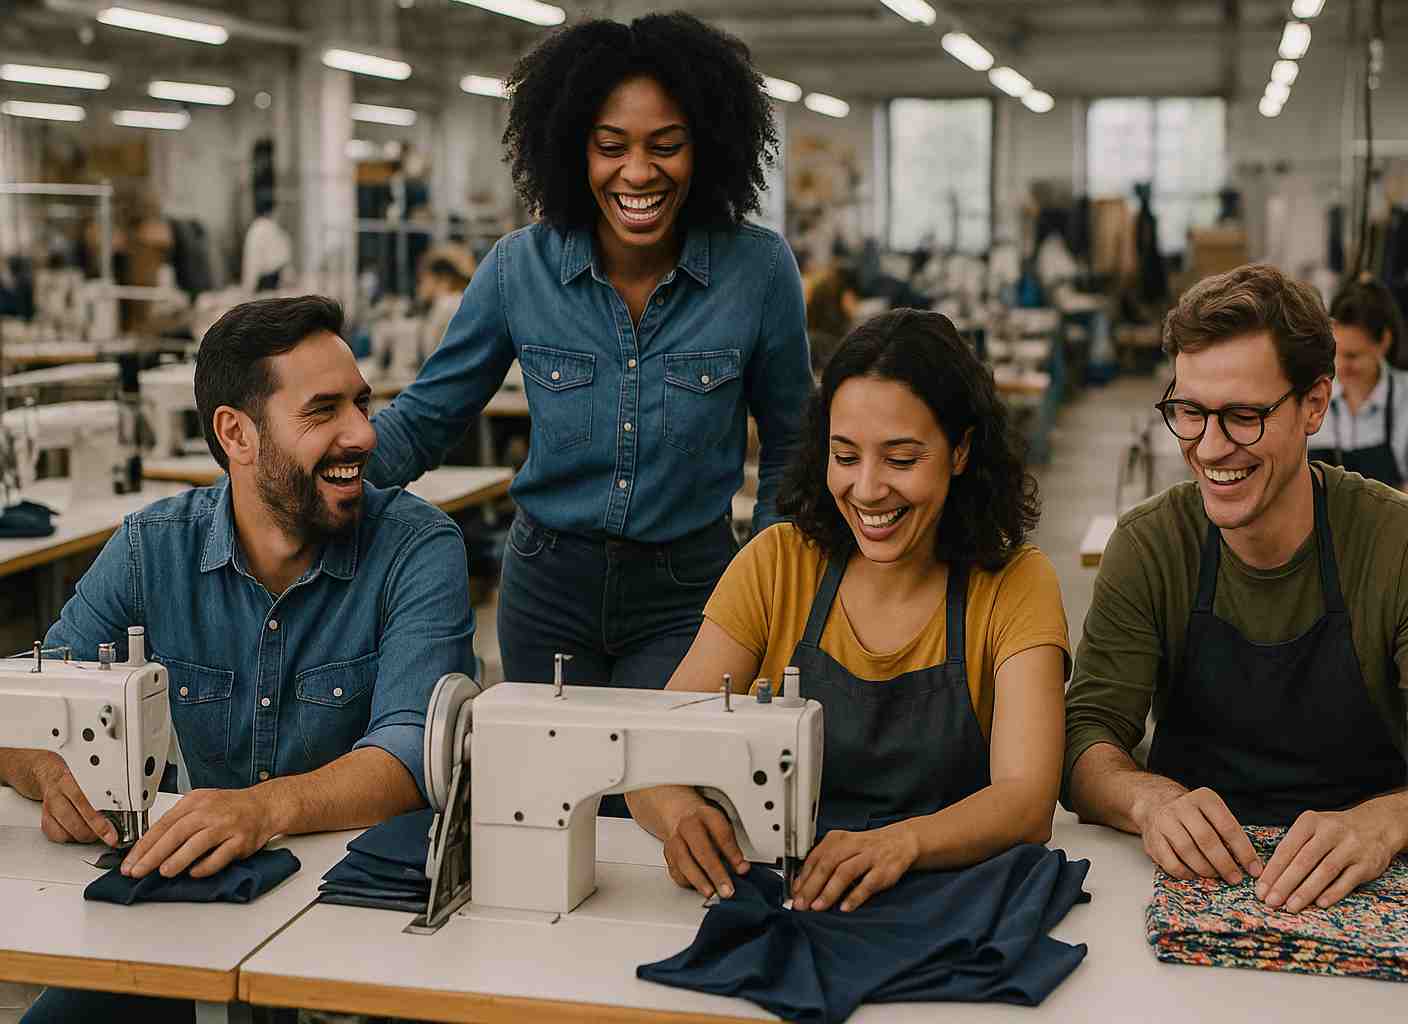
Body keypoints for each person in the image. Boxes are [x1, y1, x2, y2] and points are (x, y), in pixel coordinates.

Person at [1, 296, 475, 1022]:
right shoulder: (151, 550)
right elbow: (26, 704)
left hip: (351, 920)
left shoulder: (417, 549)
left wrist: (261, 810)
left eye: (361, 404)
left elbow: (413, 754)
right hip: (190, 916)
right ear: (237, 434)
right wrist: (48, 772)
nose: (362, 434)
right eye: (324, 412)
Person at [366, 13, 812, 691]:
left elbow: (792, 446)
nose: (639, 172)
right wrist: (311, 477)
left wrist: (772, 581)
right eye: (611, 146)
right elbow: (426, 419)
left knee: (661, 791)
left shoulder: (759, 271)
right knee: (545, 795)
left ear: (707, 147)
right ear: (574, 149)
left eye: (667, 145)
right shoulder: (519, 269)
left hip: (693, 595)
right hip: (548, 592)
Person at [1065, 264, 1408, 917]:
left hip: (1360, 889)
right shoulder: (1149, 546)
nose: (1211, 446)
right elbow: (1084, 740)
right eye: (1190, 412)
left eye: (1244, 416)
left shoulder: (1403, 544)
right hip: (1189, 885)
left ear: (1314, 405)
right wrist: (1147, 800)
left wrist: (1383, 826)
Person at [628, 309, 1069, 913]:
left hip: (951, 901)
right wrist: (680, 815)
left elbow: (1026, 800)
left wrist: (902, 843)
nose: (866, 489)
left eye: (901, 459)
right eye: (845, 455)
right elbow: (652, 747)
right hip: (787, 899)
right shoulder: (777, 564)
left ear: (961, 450)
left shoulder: (1016, 584)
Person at [1309, 277, 1408, 513]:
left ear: (1383, 342)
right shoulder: (1308, 397)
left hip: (1393, 535)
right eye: (1337, 353)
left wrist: (1361, 501)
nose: (1341, 366)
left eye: (1353, 356)